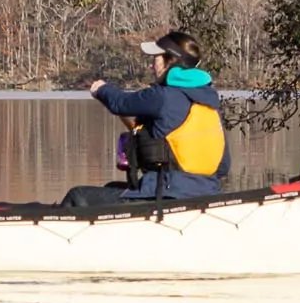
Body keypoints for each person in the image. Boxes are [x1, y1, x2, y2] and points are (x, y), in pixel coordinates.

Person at [60, 29, 229, 209]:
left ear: (170, 61)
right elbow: (223, 167)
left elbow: (120, 102)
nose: (151, 66)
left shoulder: (163, 96)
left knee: (77, 197)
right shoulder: (210, 104)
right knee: (112, 188)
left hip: (168, 194)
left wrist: (101, 89)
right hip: (207, 193)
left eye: (155, 59)